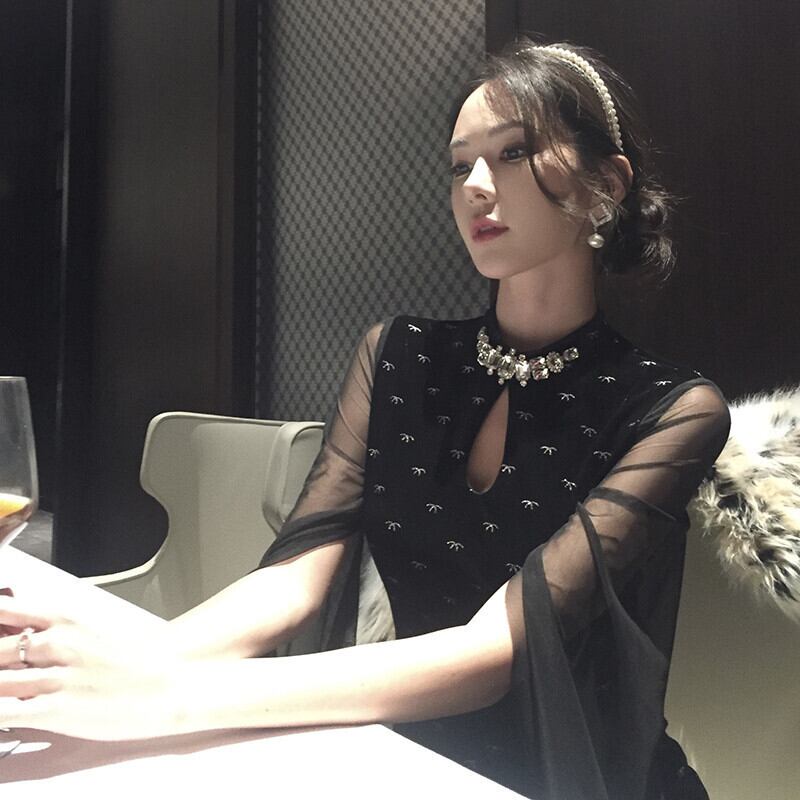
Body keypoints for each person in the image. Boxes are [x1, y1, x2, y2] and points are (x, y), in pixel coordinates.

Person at [0, 39, 729, 799]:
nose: (476, 187)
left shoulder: (671, 407)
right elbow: (294, 582)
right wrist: (138, 662)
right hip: (394, 749)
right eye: (460, 165)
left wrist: (162, 698)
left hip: (568, 776)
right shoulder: (400, 354)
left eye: (513, 153)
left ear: (606, 184)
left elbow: (497, 651)